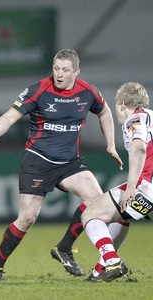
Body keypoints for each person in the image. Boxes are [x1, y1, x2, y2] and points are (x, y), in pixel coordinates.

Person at [0, 49, 124, 280]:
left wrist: (111, 145)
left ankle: (64, 248)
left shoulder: (88, 92)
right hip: (38, 161)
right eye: (56, 69)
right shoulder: (38, 90)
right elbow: (10, 116)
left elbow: (104, 112)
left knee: (96, 202)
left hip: (69, 163)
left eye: (65, 70)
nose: (59, 74)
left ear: (76, 72)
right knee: (27, 218)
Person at [81, 82, 152, 282]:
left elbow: (138, 147)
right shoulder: (151, 117)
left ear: (122, 104)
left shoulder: (134, 118)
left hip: (146, 187)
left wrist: (131, 187)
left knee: (90, 215)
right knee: (122, 216)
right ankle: (99, 270)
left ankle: (112, 261)